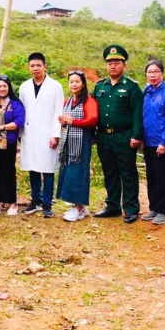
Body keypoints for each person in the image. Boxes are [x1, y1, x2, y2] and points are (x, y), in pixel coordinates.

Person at [93, 45, 144, 223]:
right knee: (109, 172)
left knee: (128, 173)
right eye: (109, 63)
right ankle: (113, 206)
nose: (113, 66)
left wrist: (136, 136)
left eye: (117, 62)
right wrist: (93, 134)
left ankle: (131, 209)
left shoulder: (132, 87)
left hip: (124, 136)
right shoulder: (100, 86)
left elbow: (138, 113)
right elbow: (93, 113)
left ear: (124, 65)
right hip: (104, 137)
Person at [18, 52, 64, 218]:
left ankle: (46, 203)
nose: (35, 68)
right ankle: (35, 200)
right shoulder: (24, 87)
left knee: (48, 169)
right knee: (33, 167)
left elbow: (59, 111)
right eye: (32, 66)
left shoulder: (55, 86)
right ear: (29, 67)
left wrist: (55, 134)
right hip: (29, 133)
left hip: (48, 133)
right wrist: (19, 133)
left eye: (38, 65)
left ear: (45, 66)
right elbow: (21, 112)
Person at [57, 71, 98, 221]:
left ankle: (78, 207)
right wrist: (63, 121)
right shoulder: (68, 101)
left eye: (77, 81)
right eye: (71, 82)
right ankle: (79, 206)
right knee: (69, 172)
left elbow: (93, 119)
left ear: (83, 84)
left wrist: (73, 121)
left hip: (82, 142)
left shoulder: (89, 101)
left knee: (79, 173)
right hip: (69, 142)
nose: (74, 84)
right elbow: (66, 120)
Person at [142, 60, 165, 226]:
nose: (153, 75)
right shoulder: (147, 91)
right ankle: (154, 207)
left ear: (162, 73)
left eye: (156, 71)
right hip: (148, 141)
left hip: (163, 142)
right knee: (152, 176)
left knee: (163, 176)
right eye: (150, 72)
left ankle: (164, 210)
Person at [0, 75, 25, 215]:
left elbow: (19, 122)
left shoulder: (15, 103)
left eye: (4, 86)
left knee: (8, 171)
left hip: (9, 143)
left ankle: (12, 203)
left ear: (9, 87)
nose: (2, 89)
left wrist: (1, 127)